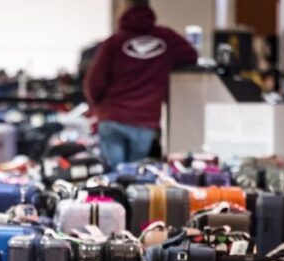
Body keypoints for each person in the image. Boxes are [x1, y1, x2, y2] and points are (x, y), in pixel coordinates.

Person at [84, 0, 198, 169]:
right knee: (134, 180)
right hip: (144, 122)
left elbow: (93, 83)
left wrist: (97, 107)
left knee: (113, 178)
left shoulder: (114, 43)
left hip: (112, 118)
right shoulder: (167, 38)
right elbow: (191, 55)